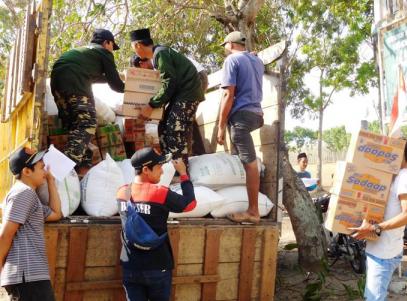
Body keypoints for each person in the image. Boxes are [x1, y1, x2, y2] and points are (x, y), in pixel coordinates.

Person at [116, 147, 196, 301]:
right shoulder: (160, 193)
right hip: (157, 266)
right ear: (146, 169)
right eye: (159, 167)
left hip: (130, 266)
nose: (162, 171)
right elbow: (190, 204)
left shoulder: (121, 192)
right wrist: (184, 174)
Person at [349, 139, 407, 301]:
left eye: (395, 149)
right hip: (377, 249)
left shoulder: (405, 177)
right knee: (372, 296)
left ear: (402, 154)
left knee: (374, 298)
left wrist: (376, 228)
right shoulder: (392, 177)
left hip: (385, 253)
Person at [50, 29, 125, 175]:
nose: (112, 50)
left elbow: (95, 77)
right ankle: (59, 170)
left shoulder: (84, 52)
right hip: (75, 85)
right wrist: (131, 88)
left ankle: (79, 171)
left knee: (75, 127)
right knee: (88, 123)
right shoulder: (104, 52)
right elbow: (115, 84)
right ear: (106, 42)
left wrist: (118, 77)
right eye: (112, 46)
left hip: (58, 85)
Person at [129, 28, 205, 167]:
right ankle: (170, 165)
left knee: (174, 129)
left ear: (138, 45)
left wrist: (151, 105)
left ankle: (180, 171)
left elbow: (169, 82)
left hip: (187, 95)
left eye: (133, 48)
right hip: (181, 96)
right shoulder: (159, 54)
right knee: (163, 127)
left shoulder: (160, 53)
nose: (135, 51)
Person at [0, 147, 63, 301]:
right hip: (27, 278)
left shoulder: (29, 197)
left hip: (30, 278)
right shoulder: (24, 194)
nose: (45, 171)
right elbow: (6, 235)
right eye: (41, 168)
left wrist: (51, 181)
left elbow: (56, 214)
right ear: (27, 172)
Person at [217, 31, 264, 224]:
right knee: (247, 160)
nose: (225, 49)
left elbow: (228, 95)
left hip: (241, 117)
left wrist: (220, 126)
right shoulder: (257, 61)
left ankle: (253, 211)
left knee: (250, 164)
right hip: (257, 114)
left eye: (225, 45)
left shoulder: (231, 61)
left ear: (230, 44)